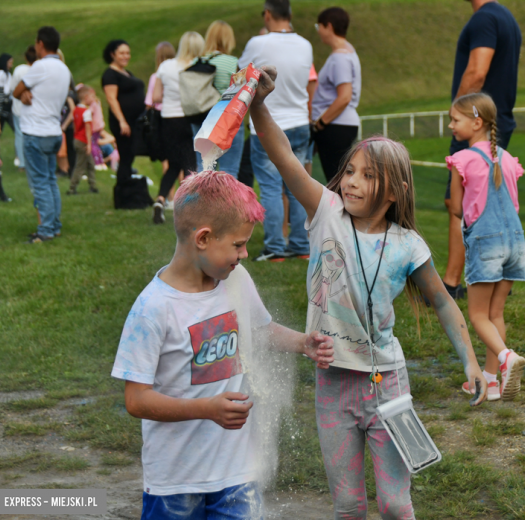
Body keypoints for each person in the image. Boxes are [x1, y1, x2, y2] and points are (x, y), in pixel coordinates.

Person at [250, 65, 487, 518]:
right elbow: (281, 155)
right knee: (348, 504)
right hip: (333, 382)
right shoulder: (326, 212)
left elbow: (441, 301)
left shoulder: (407, 245)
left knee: (397, 506)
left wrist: (471, 360)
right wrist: (259, 104)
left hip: (389, 386)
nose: (352, 181)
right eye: (350, 171)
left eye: (367, 176)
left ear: (394, 191)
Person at [111, 170, 335, 518]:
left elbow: (259, 330)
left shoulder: (235, 282)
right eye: (237, 244)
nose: (245, 254)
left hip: (236, 474)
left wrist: (302, 343)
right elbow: (136, 400)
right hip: (175, 480)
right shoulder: (153, 309)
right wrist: (207, 409)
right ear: (203, 238)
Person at [447, 92, 525, 403]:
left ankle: (507, 357)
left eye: (456, 120)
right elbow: (514, 203)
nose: (451, 126)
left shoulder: (462, 160)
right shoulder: (508, 159)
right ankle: (492, 383)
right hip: (516, 243)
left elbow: (456, 208)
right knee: (496, 314)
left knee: (478, 315)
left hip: (486, 243)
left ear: (476, 122)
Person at [444, 0, 522, 300]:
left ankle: (451, 283)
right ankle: (498, 275)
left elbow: (477, 71)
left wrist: (457, 111)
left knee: (457, 201)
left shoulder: (484, 19)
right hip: (492, 121)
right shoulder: (505, 18)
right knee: (492, 199)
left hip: (476, 124)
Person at [238, 0, 313, 262]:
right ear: (289, 14)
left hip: (267, 124)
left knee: (270, 187)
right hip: (300, 121)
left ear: (267, 14)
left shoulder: (258, 44)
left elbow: (239, 77)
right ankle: (301, 245)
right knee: (298, 186)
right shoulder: (305, 44)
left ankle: (275, 248)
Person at [13, 26, 72, 243]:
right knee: (50, 181)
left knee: (40, 183)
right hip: (53, 131)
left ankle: (45, 229)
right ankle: (54, 225)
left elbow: (16, 91)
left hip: (35, 132)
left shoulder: (40, 66)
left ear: (40, 43)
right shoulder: (64, 69)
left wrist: (25, 93)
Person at [152, 31, 203, 224]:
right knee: (191, 164)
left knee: (173, 164)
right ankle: (189, 209)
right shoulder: (198, 67)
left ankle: (160, 200)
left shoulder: (165, 66)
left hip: (169, 120)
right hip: (190, 119)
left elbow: (156, 97)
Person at [311, 7, 361, 183]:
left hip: (334, 126)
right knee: (339, 182)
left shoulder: (340, 57)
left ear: (329, 26)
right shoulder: (347, 52)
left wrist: (320, 124)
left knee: (337, 185)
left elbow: (344, 97)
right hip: (338, 126)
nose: (319, 32)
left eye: (320, 27)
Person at [102, 39, 152, 209]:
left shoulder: (126, 73)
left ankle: (128, 194)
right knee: (125, 156)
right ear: (112, 54)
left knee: (129, 157)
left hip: (134, 122)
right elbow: (111, 99)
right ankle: (122, 196)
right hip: (123, 123)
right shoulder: (110, 74)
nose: (126, 56)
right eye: (122, 53)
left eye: (127, 53)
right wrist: (122, 121)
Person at [191, 21, 243, 177]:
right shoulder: (232, 62)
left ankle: (202, 202)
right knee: (229, 171)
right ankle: (226, 202)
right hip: (226, 119)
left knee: (203, 170)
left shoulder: (197, 62)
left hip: (200, 117)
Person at [145, 42, 174, 178]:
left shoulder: (156, 77)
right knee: (179, 160)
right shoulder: (178, 75)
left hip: (160, 119)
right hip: (177, 116)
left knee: (165, 160)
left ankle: (169, 197)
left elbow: (149, 102)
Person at [8, 46, 36, 171]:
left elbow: (12, 88)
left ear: (26, 57)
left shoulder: (19, 70)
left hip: (19, 108)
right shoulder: (38, 70)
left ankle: (22, 163)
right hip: (34, 108)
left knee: (20, 135)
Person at [67, 85, 99, 195]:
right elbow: (88, 128)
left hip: (76, 139)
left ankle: (93, 185)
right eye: (92, 97)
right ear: (86, 97)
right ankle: (72, 188)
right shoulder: (86, 112)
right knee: (80, 165)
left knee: (90, 163)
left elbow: (75, 125)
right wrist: (89, 144)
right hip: (83, 141)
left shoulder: (76, 110)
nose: (94, 99)